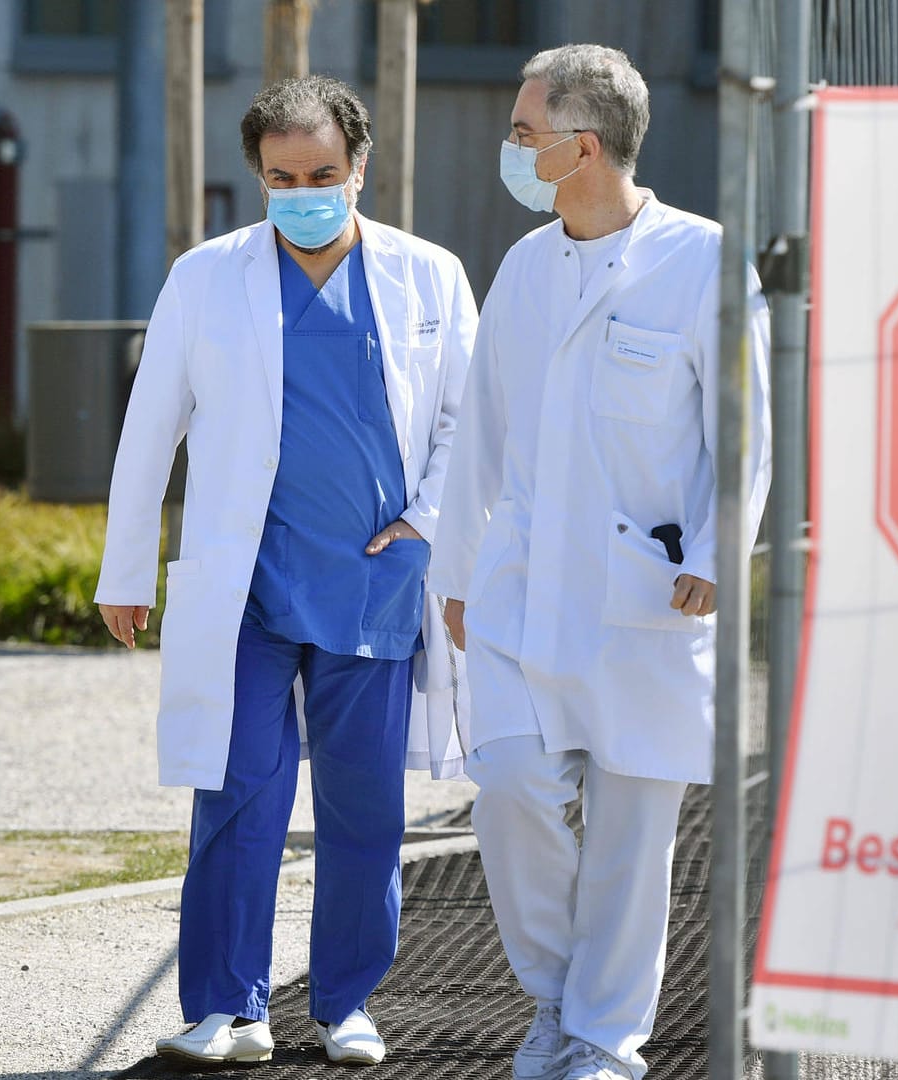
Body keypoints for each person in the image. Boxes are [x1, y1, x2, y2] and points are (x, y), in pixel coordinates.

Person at [95, 74, 476, 1067]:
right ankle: (226, 1006)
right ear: (257, 176)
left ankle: (344, 1004)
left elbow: (470, 424)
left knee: (363, 808)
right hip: (250, 589)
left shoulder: (429, 276)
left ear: (359, 169)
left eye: (320, 173)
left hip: (374, 583)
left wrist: (430, 522)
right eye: (280, 175)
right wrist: (123, 568)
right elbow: (150, 431)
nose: (301, 190)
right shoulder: (205, 276)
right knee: (237, 793)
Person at [428, 44, 772, 1080]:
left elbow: (747, 430)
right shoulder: (525, 267)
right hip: (522, 590)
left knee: (633, 839)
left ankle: (600, 1041)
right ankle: (553, 999)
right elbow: (477, 430)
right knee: (510, 786)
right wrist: (455, 568)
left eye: (524, 133)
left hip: (649, 597)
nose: (512, 149)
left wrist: (720, 551)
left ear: (582, 147)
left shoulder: (705, 261)